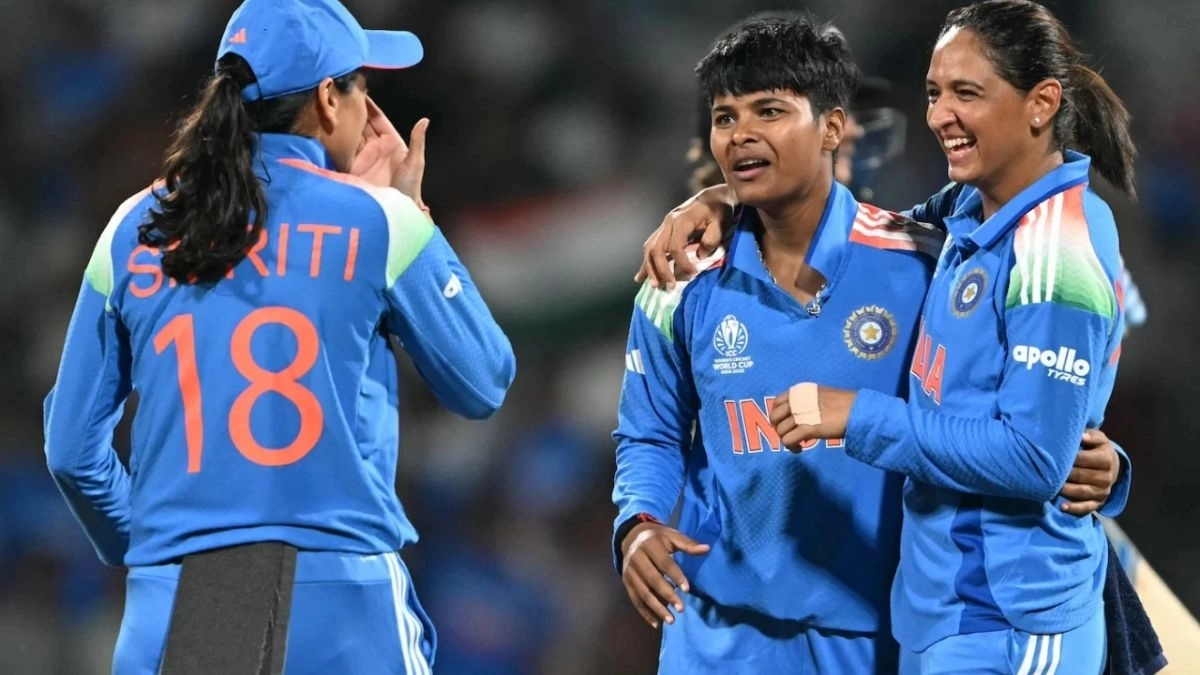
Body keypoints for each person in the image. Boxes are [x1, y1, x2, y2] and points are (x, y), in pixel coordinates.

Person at [610, 12, 1123, 674]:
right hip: (714, 637)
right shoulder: (678, 278)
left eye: (769, 111)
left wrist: (1102, 458)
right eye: (724, 117)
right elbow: (648, 432)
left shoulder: (925, 261)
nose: (741, 135)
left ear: (832, 128)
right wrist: (638, 522)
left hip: (873, 636)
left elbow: (1020, 411)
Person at [41, 0, 515, 672]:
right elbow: (482, 380)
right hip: (342, 604)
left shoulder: (133, 228)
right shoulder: (379, 221)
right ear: (327, 99)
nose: (368, 108)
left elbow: (70, 450)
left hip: (176, 602)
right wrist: (413, 217)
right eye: (361, 86)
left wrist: (151, 542)